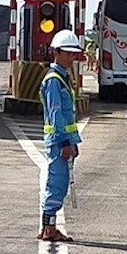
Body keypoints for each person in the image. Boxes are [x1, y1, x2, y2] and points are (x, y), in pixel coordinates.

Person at [39, 29, 85, 242]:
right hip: (58, 143)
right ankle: (48, 228)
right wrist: (66, 142)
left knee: (61, 182)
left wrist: (73, 141)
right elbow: (56, 114)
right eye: (67, 53)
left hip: (64, 142)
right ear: (56, 53)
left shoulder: (63, 78)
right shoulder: (54, 80)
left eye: (73, 54)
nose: (71, 57)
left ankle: (49, 227)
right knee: (56, 183)